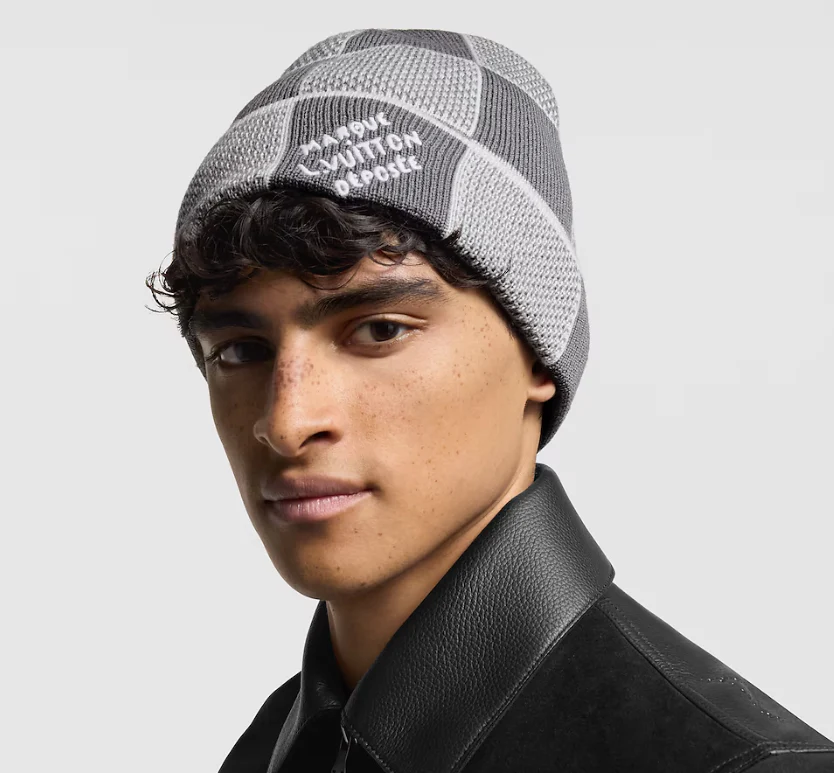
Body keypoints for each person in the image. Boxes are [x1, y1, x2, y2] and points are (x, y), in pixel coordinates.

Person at [149, 27, 834, 773]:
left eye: (380, 330)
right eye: (241, 350)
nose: (286, 422)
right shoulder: (274, 749)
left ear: (538, 353)